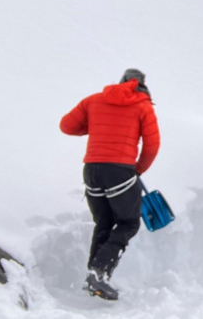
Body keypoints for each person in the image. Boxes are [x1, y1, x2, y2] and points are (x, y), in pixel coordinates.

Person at [60, 68, 160, 300]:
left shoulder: (94, 100)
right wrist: (137, 170)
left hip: (92, 170)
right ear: (142, 85)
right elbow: (152, 146)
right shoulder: (143, 106)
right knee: (128, 223)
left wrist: (95, 127)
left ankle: (94, 278)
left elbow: (66, 126)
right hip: (120, 171)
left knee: (104, 222)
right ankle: (99, 272)